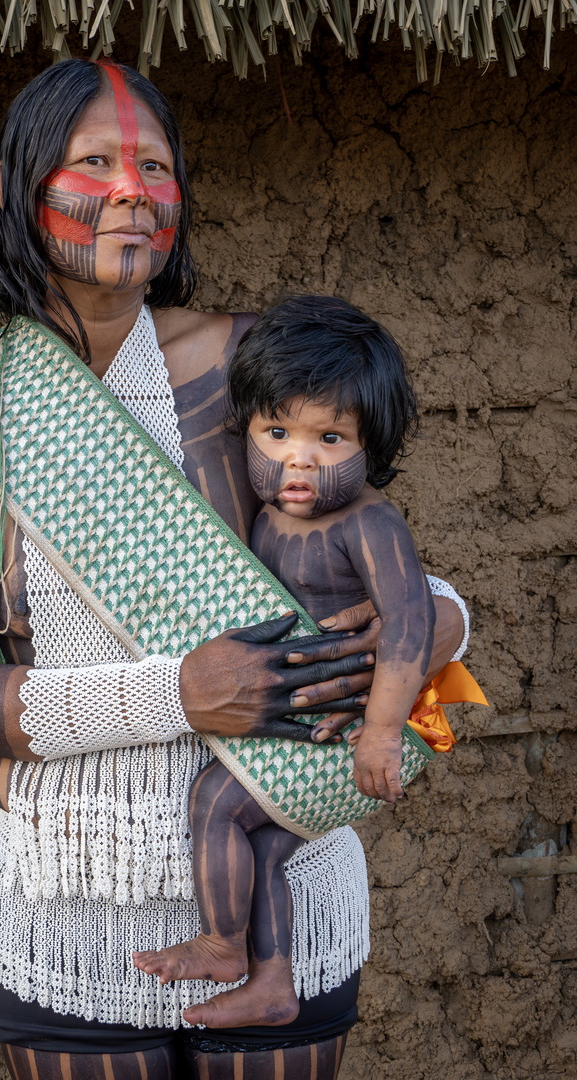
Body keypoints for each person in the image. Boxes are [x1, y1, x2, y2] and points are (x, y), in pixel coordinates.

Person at [0, 59, 469, 1080]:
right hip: (73, 906)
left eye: (154, 167)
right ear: (12, 190)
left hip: (286, 886)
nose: (129, 192)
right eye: (94, 162)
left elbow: (386, 561)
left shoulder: (255, 368)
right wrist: (179, 694)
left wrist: (440, 625)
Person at [134, 294, 481, 1030]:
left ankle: (226, 944)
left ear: (371, 450)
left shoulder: (368, 520)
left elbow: (411, 620)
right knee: (258, 842)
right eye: (278, 431)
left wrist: (381, 732)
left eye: (330, 438)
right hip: (308, 725)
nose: (300, 456)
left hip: (358, 731)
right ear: (248, 431)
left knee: (216, 804)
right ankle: (272, 981)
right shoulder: (264, 519)